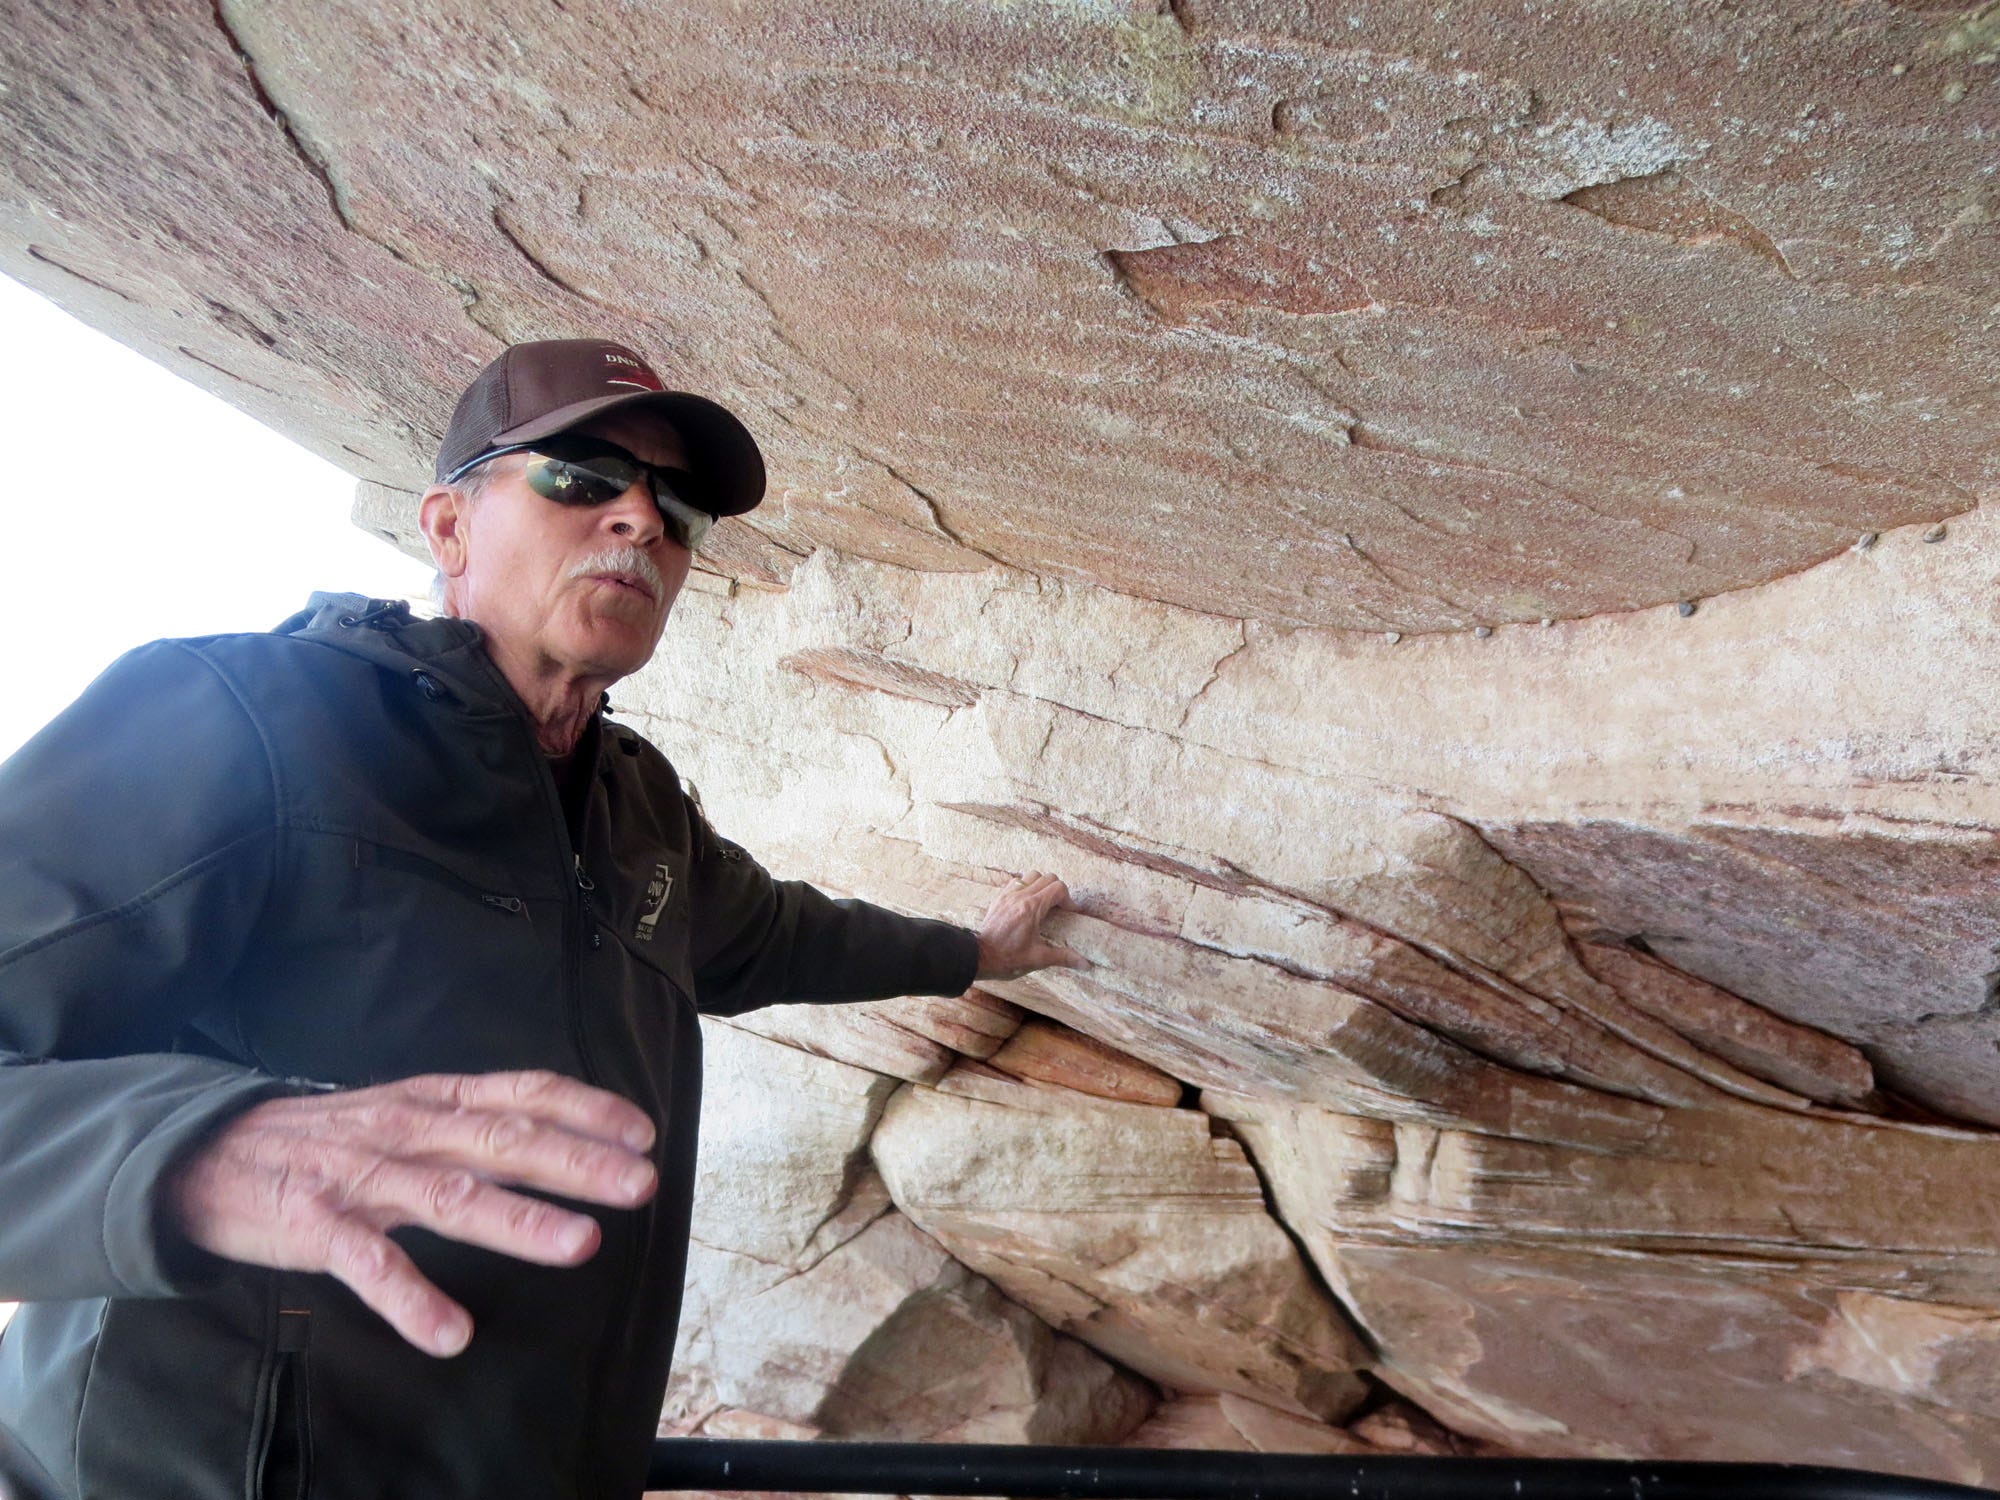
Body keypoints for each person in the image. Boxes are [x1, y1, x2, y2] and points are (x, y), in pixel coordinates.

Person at [0, 338, 1086, 1500]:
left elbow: (778, 935)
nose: (641, 522)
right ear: (448, 525)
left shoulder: (638, 805)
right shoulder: (245, 717)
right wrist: (193, 1151)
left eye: (678, 509)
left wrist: (972, 953)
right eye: (580, 474)